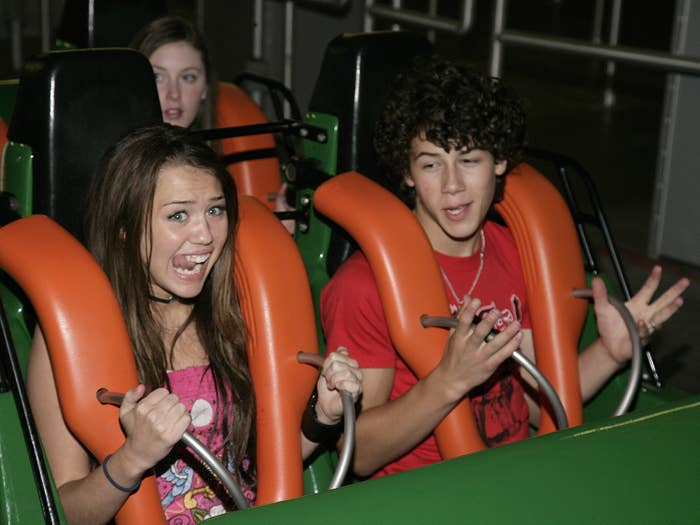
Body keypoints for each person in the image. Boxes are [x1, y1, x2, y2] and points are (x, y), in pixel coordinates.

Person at [320, 56, 689, 480]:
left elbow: (537, 405)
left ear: (499, 161)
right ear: (407, 174)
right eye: (431, 163)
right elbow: (360, 453)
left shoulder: (517, 253)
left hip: (516, 477)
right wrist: (448, 382)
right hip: (423, 496)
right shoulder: (365, 285)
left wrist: (610, 353)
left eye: (469, 159)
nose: (452, 185)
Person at [26, 124, 362, 524]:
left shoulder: (240, 314)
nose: (204, 235)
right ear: (124, 228)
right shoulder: (73, 340)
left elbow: (255, 469)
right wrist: (131, 460)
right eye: (178, 215)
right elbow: (63, 513)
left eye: (215, 210)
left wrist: (321, 416)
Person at [131, 14, 296, 233]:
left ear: (205, 88)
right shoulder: (112, 164)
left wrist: (279, 232)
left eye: (188, 77)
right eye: (157, 77)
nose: (174, 94)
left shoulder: (217, 163)